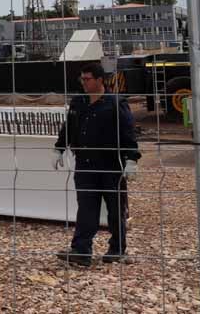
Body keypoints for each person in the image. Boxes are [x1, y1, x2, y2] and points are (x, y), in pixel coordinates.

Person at [53, 62, 140, 266]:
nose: (83, 83)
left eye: (87, 79)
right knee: (86, 208)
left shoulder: (115, 103)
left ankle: (117, 250)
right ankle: (81, 251)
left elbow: (128, 132)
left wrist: (131, 159)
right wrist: (59, 148)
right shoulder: (78, 103)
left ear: (100, 80)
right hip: (85, 165)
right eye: (81, 79)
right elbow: (69, 128)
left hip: (111, 166)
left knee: (116, 209)